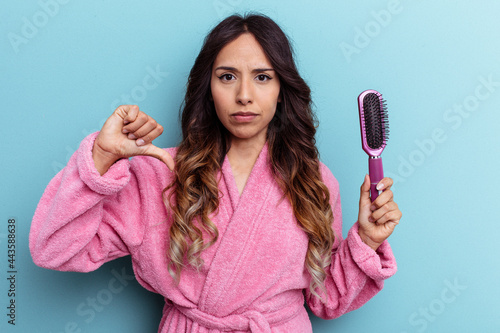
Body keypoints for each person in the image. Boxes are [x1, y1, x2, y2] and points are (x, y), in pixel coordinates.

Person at [30, 13, 402, 333]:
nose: (244, 95)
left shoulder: (314, 182)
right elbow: (53, 250)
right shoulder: (157, 174)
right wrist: (101, 157)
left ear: (281, 90)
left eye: (262, 77)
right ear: (207, 88)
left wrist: (365, 241)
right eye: (227, 77)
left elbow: (328, 301)